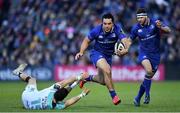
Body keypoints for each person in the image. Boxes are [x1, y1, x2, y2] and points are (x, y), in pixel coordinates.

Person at [75, 13, 130, 105]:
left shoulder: (117, 29)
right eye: (105, 23)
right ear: (102, 23)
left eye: (109, 23)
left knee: (103, 81)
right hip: (97, 53)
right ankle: (114, 96)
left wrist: (126, 49)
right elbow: (86, 40)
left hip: (108, 56)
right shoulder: (97, 30)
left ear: (113, 24)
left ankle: (85, 78)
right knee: (107, 69)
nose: (107, 26)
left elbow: (125, 40)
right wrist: (81, 52)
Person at [127, 8, 171, 106]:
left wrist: (161, 28)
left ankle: (137, 98)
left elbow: (168, 30)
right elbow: (130, 40)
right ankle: (147, 94)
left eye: (141, 17)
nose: (139, 20)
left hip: (155, 55)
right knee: (148, 71)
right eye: (138, 18)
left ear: (146, 16)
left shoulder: (155, 23)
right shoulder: (136, 28)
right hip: (143, 53)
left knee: (148, 77)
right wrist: (126, 47)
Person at [12, 63, 90, 110]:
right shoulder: (54, 106)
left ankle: (18, 72)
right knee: (33, 81)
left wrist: (79, 77)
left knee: (32, 80)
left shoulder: (52, 90)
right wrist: (81, 94)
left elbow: (66, 81)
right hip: (28, 106)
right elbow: (68, 102)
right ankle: (18, 72)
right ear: (59, 100)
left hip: (26, 97)